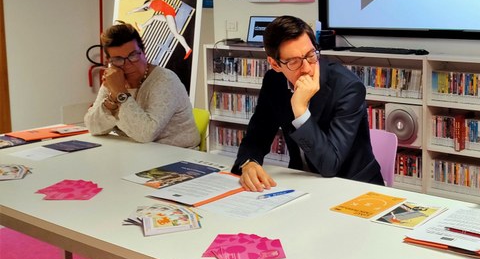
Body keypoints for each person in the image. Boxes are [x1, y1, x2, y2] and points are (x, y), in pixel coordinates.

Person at [233, 15, 383, 191]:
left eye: (311, 55)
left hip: (353, 185)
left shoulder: (347, 87)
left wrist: (300, 110)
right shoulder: (274, 81)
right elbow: (258, 134)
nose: (307, 68)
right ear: (275, 64)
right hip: (303, 182)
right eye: (294, 61)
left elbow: (330, 165)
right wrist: (249, 162)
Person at [84, 22, 200, 148]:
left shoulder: (165, 80)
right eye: (118, 59)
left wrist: (121, 93)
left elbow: (145, 134)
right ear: (109, 61)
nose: (127, 64)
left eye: (133, 55)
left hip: (178, 153)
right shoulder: (114, 79)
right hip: (136, 151)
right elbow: (93, 127)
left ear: (144, 52)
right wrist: (112, 98)